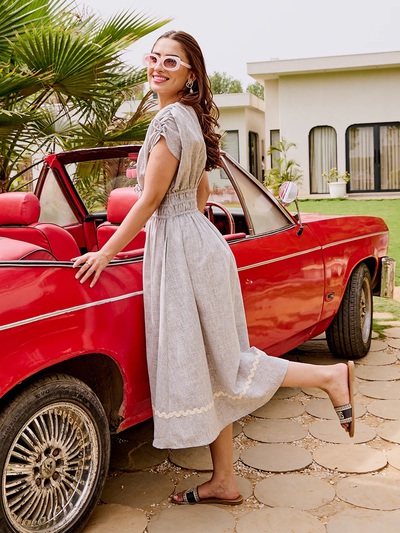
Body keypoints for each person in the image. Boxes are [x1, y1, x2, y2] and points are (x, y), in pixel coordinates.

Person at [73, 30, 355, 506]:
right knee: (212, 364)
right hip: (197, 242)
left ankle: (329, 378)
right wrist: (188, 226)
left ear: (190, 75)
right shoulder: (188, 118)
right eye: (154, 57)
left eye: (171, 61)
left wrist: (106, 253)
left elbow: (149, 201)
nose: (158, 66)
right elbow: (201, 194)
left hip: (181, 249)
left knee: (225, 363)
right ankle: (224, 480)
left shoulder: (167, 120)